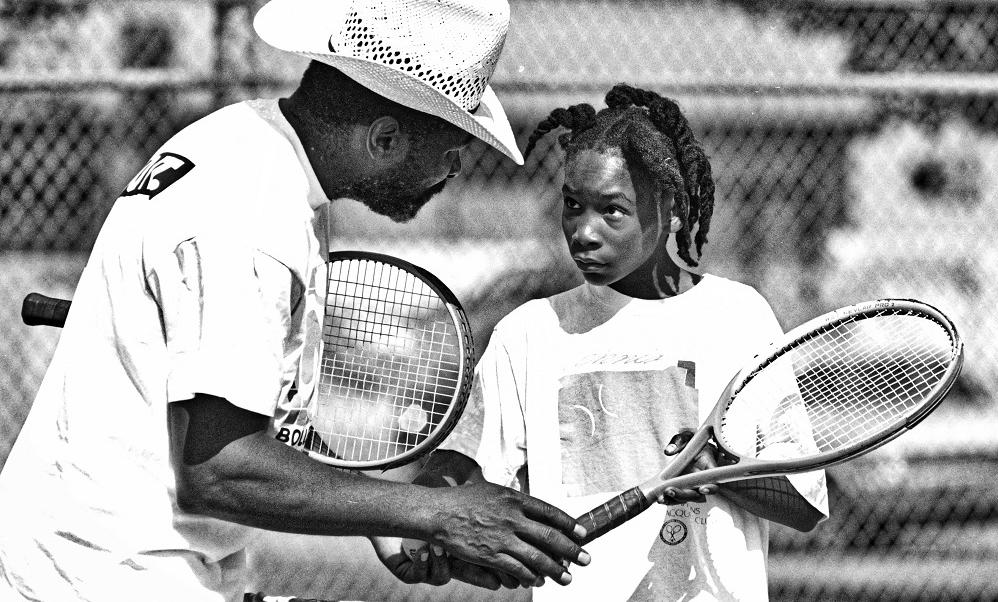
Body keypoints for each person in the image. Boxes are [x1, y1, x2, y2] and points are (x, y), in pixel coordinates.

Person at [0, 1, 591, 600]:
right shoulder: (254, 220)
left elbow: (238, 425)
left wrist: (391, 506)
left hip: (131, 562)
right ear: (384, 138)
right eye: (451, 143)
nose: (458, 165)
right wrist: (434, 514)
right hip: (101, 575)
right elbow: (219, 471)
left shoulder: (246, 143)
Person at [416, 84, 830, 601]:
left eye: (612, 210)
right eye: (573, 205)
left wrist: (722, 472)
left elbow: (804, 506)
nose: (584, 231)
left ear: (672, 208)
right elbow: (459, 471)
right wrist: (422, 521)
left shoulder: (737, 317)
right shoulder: (529, 332)